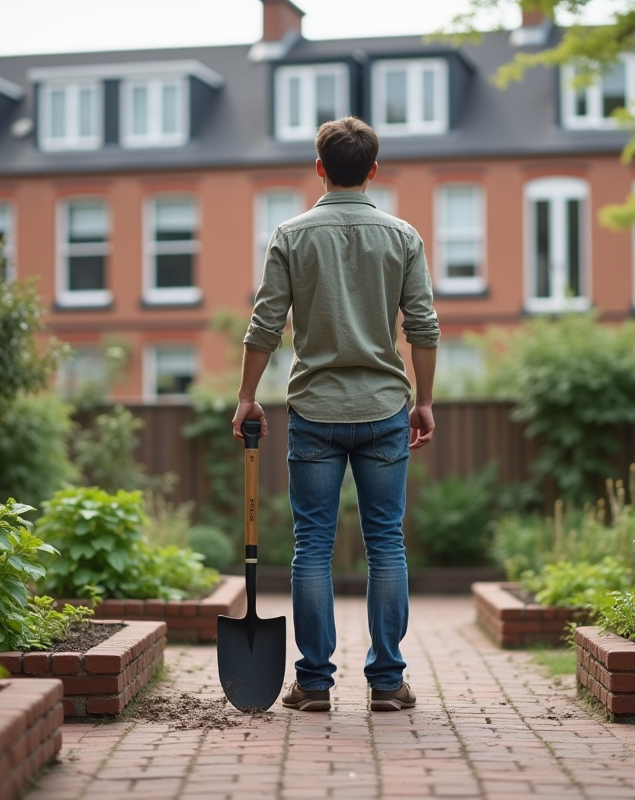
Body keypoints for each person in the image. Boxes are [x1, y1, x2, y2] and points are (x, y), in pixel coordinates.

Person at [231, 116, 439, 713]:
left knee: (313, 547)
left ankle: (315, 684)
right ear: (374, 170)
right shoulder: (403, 237)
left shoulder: (291, 235)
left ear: (319, 167)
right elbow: (423, 326)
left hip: (315, 412)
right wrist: (422, 400)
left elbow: (264, 325)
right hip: (383, 410)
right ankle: (386, 684)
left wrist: (247, 395)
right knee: (387, 545)